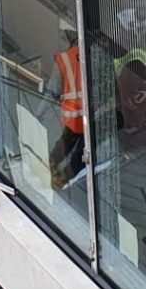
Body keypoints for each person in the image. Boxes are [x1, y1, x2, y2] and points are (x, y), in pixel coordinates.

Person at [44, 20, 86, 190]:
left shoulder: (64, 59)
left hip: (74, 116)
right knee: (80, 154)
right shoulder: (94, 52)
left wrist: (38, 113)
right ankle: (61, 177)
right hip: (92, 115)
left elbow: (52, 94)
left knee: (68, 144)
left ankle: (56, 174)